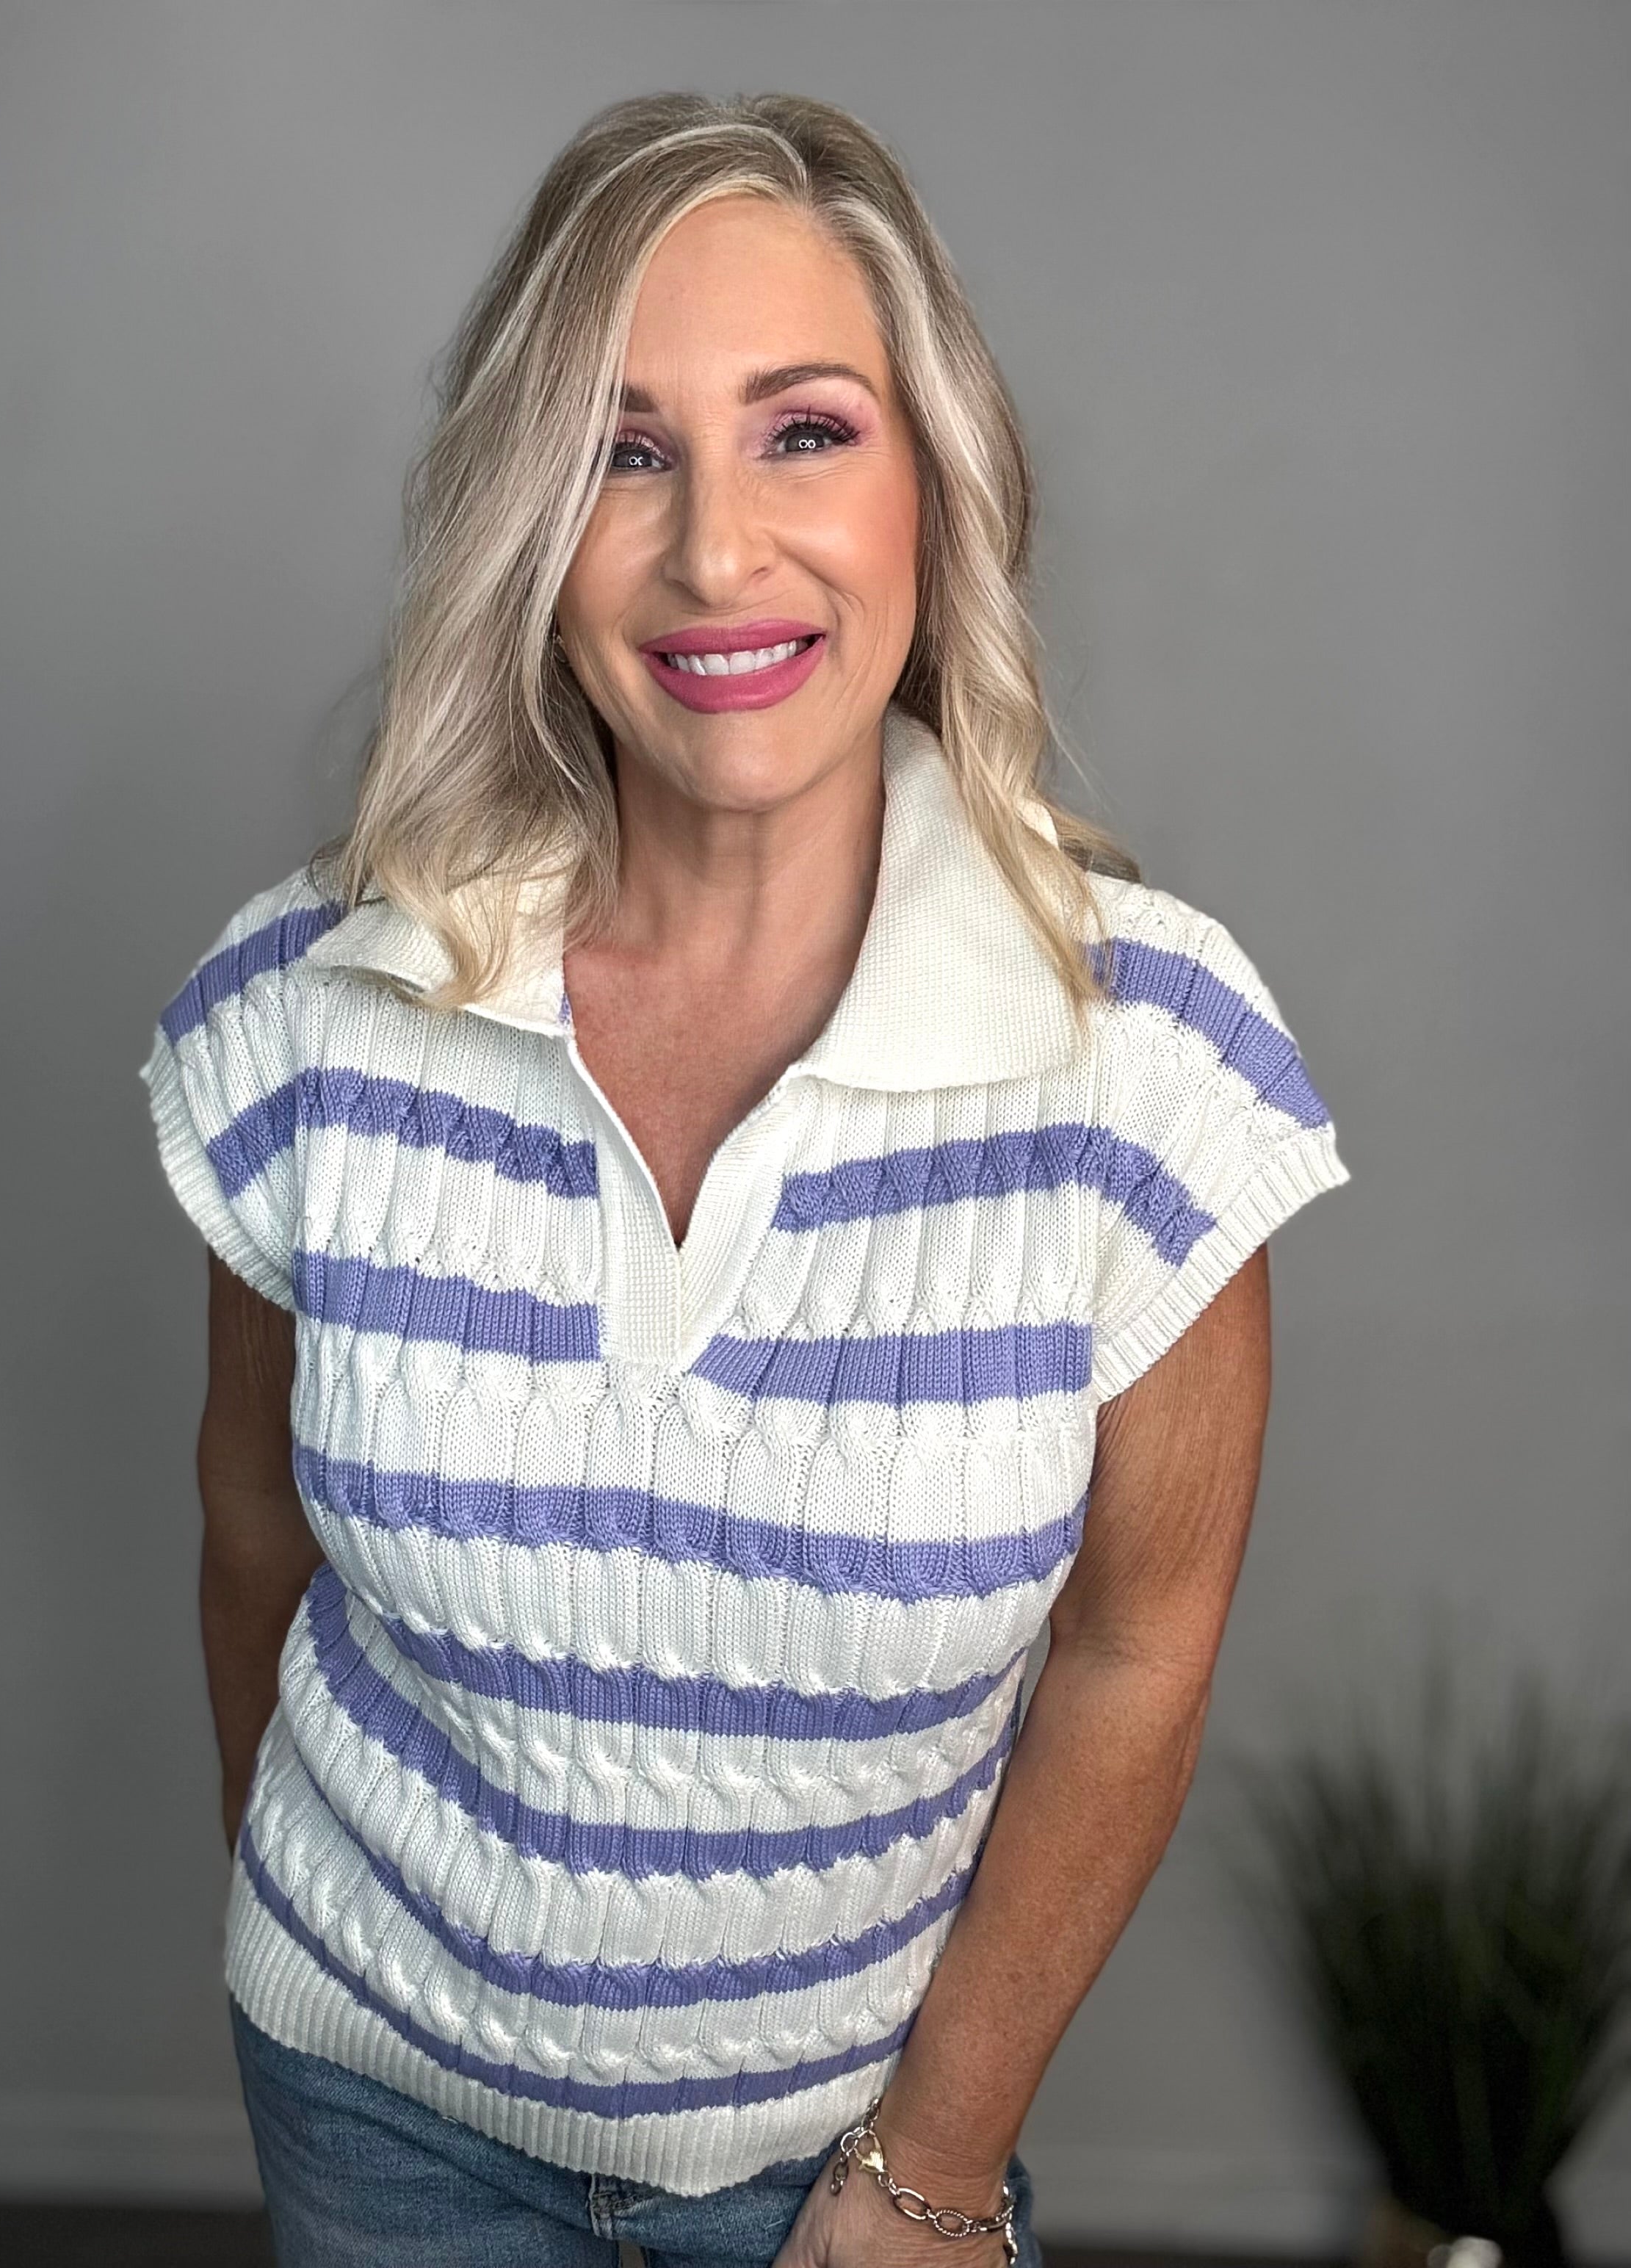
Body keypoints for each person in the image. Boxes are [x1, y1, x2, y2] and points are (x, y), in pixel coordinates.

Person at [140, 90, 1348, 2268]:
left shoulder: (1147, 1064)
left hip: (854, 2159)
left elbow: (1135, 1658)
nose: (717, 554)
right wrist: (324, 1977)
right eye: (623, 454)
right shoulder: (314, 1012)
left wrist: (932, 2171)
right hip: (375, 2133)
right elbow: (251, 1538)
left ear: (932, 489)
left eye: (805, 432)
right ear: (529, 528)